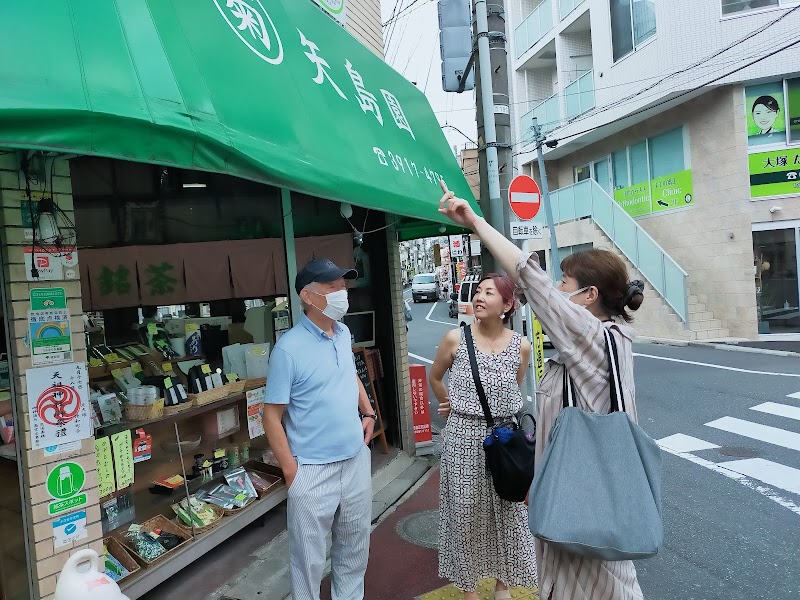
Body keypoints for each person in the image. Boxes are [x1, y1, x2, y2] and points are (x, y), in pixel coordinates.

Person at [437, 181, 646, 600]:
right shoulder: (612, 340)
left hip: (580, 497)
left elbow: (528, 277)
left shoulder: (590, 337)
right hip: (587, 488)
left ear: (589, 296)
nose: (557, 290)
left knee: (591, 584)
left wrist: (475, 221)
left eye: (564, 283)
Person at [263, 258, 377, 600]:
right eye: (332, 287)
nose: (342, 293)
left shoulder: (343, 333)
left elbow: (349, 374)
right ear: (308, 296)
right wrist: (292, 474)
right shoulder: (288, 350)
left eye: (343, 286)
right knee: (307, 561)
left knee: (355, 548)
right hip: (311, 470)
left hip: (355, 460)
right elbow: (271, 416)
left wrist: (368, 411)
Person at [430, 274, 537, 600]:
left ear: (507, 305)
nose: (479, 297)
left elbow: (514, 387)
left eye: (488, 293)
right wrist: (449, 402)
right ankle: (469, 589)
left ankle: (503, 584)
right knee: (465, 515)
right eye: (478, 292)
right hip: (462, 438)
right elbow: (435, 377)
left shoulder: (521, 346)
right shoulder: (455, 339)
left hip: (504, 439)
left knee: (508, 511)